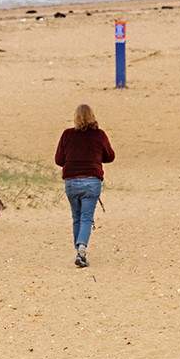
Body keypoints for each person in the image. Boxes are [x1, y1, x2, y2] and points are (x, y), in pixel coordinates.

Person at [55, 103, 114, 269]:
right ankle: (81, 250)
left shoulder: (67, 135)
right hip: (91, 181)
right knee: (86, 217)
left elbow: (59, 160)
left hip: (71, 182)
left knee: (77, 217)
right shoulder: (99, 135)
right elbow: (110, 156)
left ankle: (79, 251)